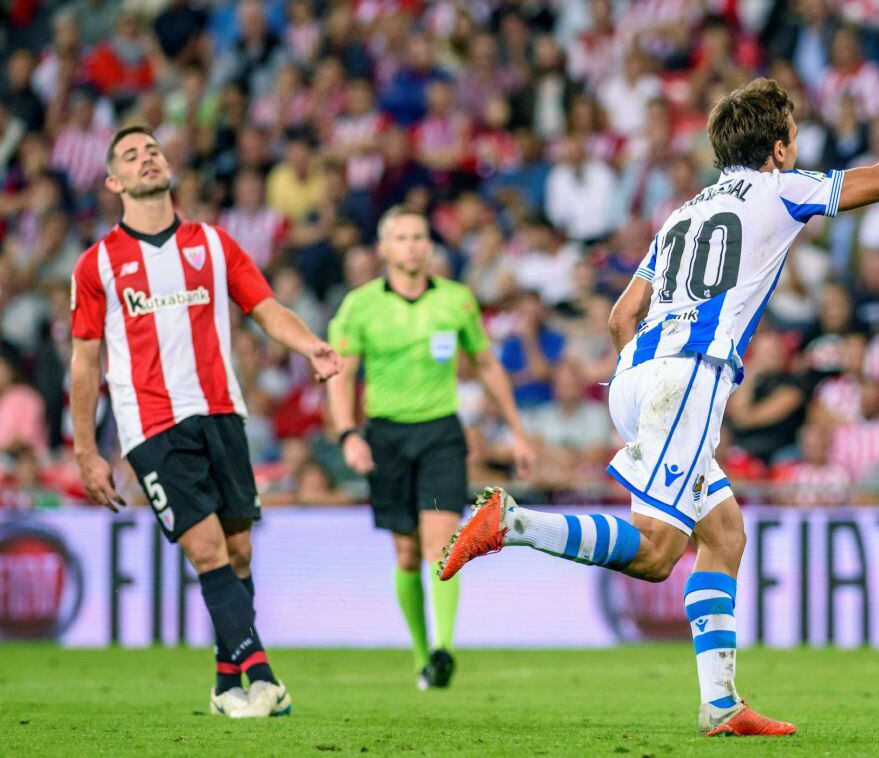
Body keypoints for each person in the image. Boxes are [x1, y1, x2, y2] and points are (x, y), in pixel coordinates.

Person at [439, 29, 879, 737]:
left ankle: (721, 703)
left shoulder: (682, 213)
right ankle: (514, 524)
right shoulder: (779, 189)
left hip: (636, 376)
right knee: (655, 551)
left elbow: (620, 316)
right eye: (792, 136)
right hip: (688, 381)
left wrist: (652, 376)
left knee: (724, 533)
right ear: (780, 147)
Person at [70, 125, 343, 718]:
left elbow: (266, 309)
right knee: (206, 549)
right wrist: (87, 450)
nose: (148, 159)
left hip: (221, 411)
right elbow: (85, 359)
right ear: (114, 181)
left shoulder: (215, 246)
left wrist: (310, 346)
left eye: (154, 150)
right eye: (132, 156)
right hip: (152, 425)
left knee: (239, 552)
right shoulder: (98, 265)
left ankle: (225, 687)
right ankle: (263, 677)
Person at [325, 206, 535, 690]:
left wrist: (517, 433)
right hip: (386, 435)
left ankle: (443, 648)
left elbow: (486, 365)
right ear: (384, 249)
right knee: (404, 553)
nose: (412, 245)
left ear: (430, 246)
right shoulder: (360, 305)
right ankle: (423, 656)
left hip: (442, 433)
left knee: (439, 546)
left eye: (419, 236)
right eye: (401, 237)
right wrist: (348, 434)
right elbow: (343, 375)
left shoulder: (457, 301)